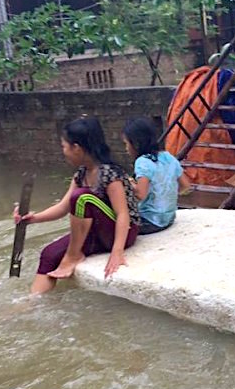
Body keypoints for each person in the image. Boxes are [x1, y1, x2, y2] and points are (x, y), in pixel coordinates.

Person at [13, 117, 141, 295]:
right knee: (49, 254)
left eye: (64, 147)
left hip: (123, 233)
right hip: (97, 232)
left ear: (77, 148)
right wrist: (32, 219)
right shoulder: (81, 174)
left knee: (81, 198)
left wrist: (117, 251)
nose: (63, 152)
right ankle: (32, 302)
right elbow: (62, 208)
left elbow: (123, 214)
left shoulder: (110, 174)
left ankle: (73, 255)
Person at [122, 117, 191, 234]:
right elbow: (186, 186)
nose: (126, 148)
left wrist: (127, 182)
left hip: (149, 221)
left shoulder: (142, 162)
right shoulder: (168, 157)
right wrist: (166, 193)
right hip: (169, 218)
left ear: (136, 144)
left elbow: (140, 195)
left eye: (126, 144)